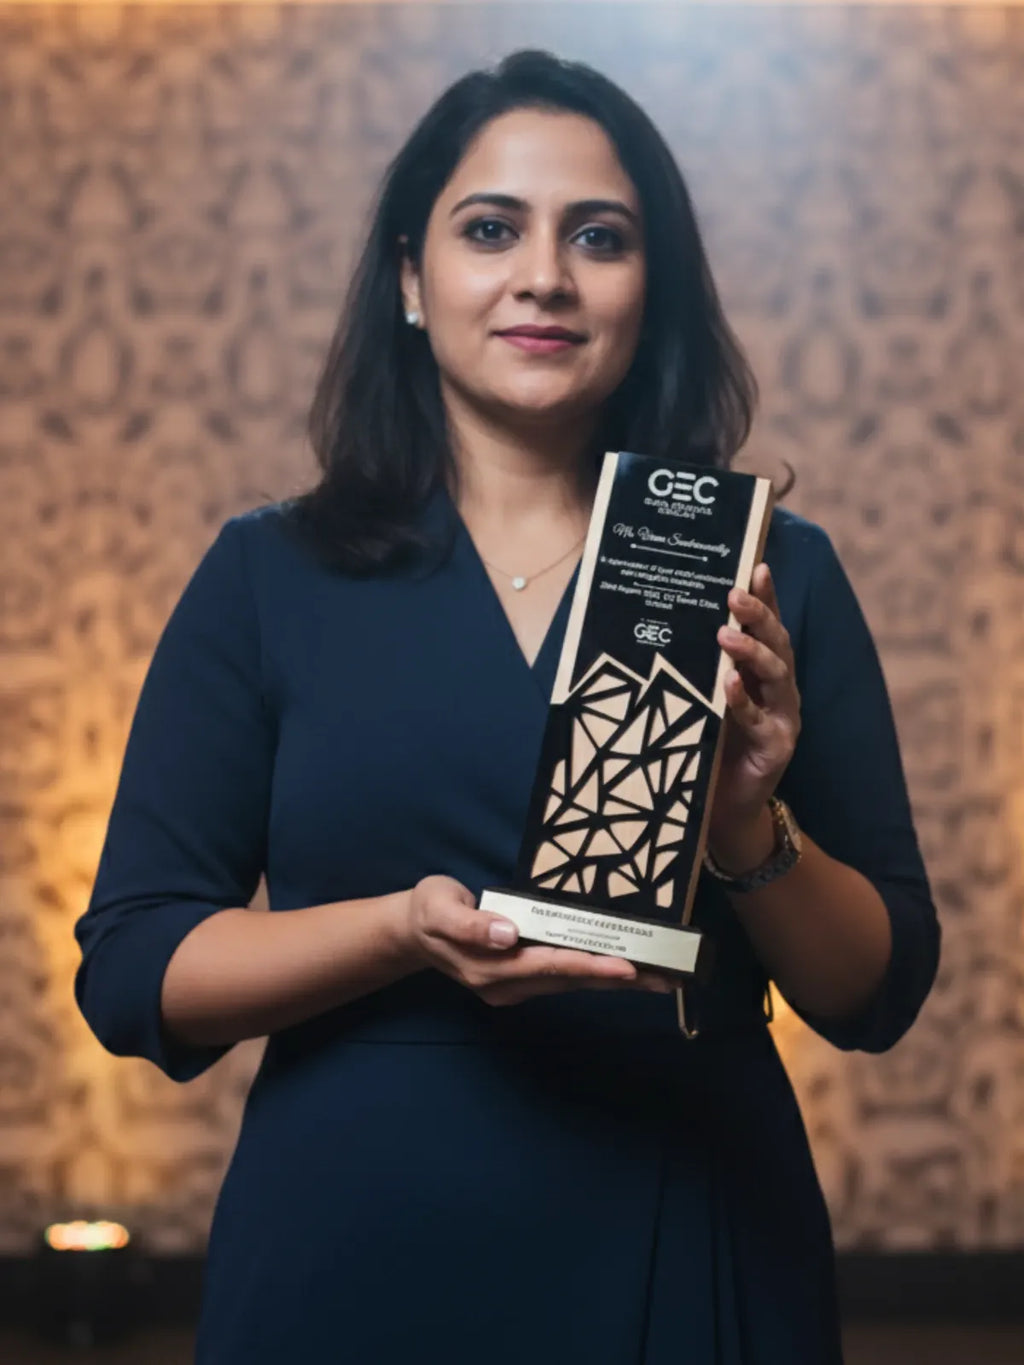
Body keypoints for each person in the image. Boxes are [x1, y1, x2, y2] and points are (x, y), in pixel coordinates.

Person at [74, 49, 939, 1364]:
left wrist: (746, 828)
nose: (547, 274)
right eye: (493, 229)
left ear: (653, 291)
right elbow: (134, 969)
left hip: (688, 1210)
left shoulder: (767, 568)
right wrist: (399, 932)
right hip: (352, 1235)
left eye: (600, 236)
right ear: (413, 279)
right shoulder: (270, 573)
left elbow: (877, 990)